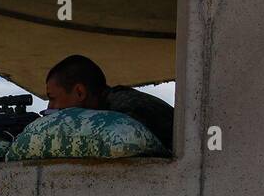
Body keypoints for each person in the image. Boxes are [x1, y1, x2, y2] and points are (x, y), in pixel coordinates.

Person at [44, 54, 174, 151]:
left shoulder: (125, 114)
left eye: (52, 98)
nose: (50, 107)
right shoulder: (114, 105)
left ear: (80, 92)